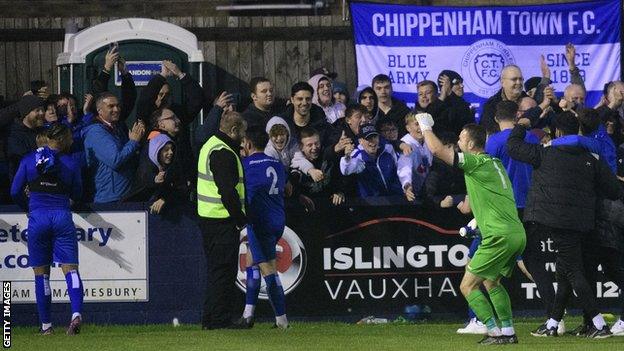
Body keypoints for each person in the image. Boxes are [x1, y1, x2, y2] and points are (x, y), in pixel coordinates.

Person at [506, 112, 623, 338]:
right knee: (564, 271)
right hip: (585, 222)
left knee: (572, 271)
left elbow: (513, 146)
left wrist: (522, 124)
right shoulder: (592, 157)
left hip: (555, 220)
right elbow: (614, 190)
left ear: (557, 132)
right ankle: (552, 322)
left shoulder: (544, 153)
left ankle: (599, 326)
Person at [417, 113, 526, 345]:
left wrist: (425, 126)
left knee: (467, 285)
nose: (457, 142)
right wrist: (475, 218)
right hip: (515, 233)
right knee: (491, 282)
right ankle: (507, 331)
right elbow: (472, 205)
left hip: (498, 236)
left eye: (460, 138)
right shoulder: (494, 164)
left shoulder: (475, 162)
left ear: (470, 143)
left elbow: (437, 151)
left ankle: (492, 330)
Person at [10, 124, 83, 335]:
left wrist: (29, 207)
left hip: (38, 217)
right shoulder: (71, 162)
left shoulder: (28, 160)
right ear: (61, 140)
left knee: (41, 275)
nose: (72, 141)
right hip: (61, 216)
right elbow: (77, 192)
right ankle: (76, 313)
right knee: (72, 269)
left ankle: (46, 327)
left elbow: (15, 191)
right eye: (69, 138)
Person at [197, 111, 247, 330]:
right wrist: (240, 219)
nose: (244, 138)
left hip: (210, 218)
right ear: (234, 130)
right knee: (224, 272)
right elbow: (227, 192)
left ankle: (210, 318)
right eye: (242, 132)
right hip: (222, 220)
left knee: (216, 271)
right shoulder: (223, 152)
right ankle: (220, 320)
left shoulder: (210, 144)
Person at [234, 125, 288, 329]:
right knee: (252, 262)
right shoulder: (277, 163)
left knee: (269, 270)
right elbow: (287, 186)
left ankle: (282, 321)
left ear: (247, 144)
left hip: (260, 221)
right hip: (278, 219)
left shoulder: (246, 165)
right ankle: (248, 315)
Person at [83, 93, 145, 203]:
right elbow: (115, 160)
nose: (116, 109)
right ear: (99, 111)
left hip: (125, 195)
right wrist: (133, 142)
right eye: (111, 106)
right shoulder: (96, 132)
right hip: (109, 198)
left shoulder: (117, 129)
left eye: (118, 106)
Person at [340, 123, 411, 199]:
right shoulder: (358, 156)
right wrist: (347, 156)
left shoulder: (388, 148)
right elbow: (346, 170)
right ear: (360, 141)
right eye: (368, 138)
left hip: (396, 198)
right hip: (372, 203)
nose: (372, 142)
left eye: (375, 137)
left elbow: (401, 168)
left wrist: (406, 185)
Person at [481, 65, 528, 135]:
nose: (518, 82)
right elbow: (487, 129)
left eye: (520, 79)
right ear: (502, 82)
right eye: (514, 79)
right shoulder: (491, 105)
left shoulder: (529, 101)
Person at [7, 95, 45, 180]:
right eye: (37, 110)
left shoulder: (44, 131)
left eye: (42, 109)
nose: (42, 113)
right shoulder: (14, 135)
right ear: (26, 113)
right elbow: (24, 159)